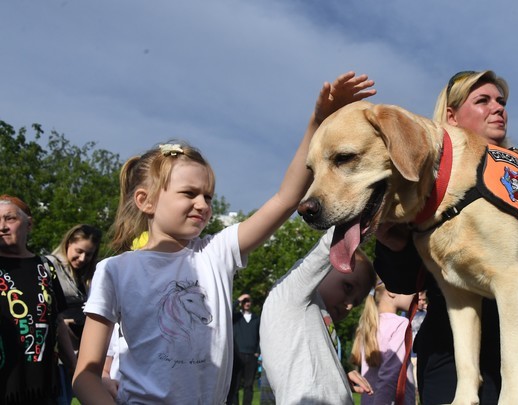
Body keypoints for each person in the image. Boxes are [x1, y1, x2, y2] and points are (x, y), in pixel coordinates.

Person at [71, 72, 377, 404]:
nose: (202, 205)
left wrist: (317, 123)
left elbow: (286, 199)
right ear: (146, 200)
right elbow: (85, 375)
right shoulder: (114, 271)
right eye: (189, 193)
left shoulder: (215, 253)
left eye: (209, 196)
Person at [374, 70, 518, 404]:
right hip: (453, 366)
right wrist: (394, 244)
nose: (497, 108)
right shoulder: (421, 185)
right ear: (452, 116)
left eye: (501, 101)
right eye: (482, 101)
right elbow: (403, 283)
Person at [260, 228, 376, 404]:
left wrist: (339, 379)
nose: (350, 304)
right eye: (348, 287)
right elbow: (331, 241)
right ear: (327, 266)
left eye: (356, 302)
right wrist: (353, 223)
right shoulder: (292, 294)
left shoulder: (319, 320)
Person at [0, 195, 77, 404]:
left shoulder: (45, 266)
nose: (2, 227)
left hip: (44, 385)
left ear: (29, 224)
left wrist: (73, 365)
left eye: (10, 219)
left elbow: (57, 320)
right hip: (5, 383)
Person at [45, 224, 102, 404]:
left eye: (89, 254)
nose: (83, 258)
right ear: (68, 243)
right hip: (57, 353)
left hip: (78, 350)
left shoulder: (81, 276)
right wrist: (65, 323)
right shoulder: (48, 266)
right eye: (79, 251)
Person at [350, 279, 416, 405]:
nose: (415, 294)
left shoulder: (369, 325)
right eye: (410, 288)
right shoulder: (401, 324)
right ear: (392, 292)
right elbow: (389, 375)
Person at [227, 293, 261, 405]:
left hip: (252, 356)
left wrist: (257, 351)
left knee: (249, 385)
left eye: (248, 301)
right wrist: (238, 299)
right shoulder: (236, 317)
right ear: (242, 303)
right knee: (235, 386)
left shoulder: (257, 319)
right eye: (244, 301)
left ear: (251, 303)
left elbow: (261, 336)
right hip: (237, 356)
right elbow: (228, 311)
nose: (247, 303)